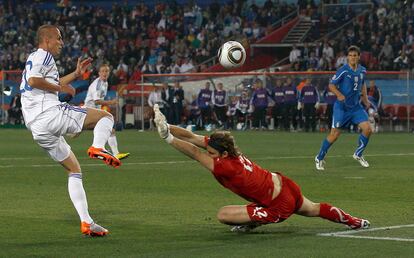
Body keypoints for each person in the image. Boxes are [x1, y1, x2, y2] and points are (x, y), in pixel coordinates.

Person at [152, 104, 370, 232]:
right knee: (313, 209)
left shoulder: (226, 167)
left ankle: (256, 219)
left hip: (278, 205)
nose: (211, 156)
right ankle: (355, 221)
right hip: (285, 185)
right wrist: (166, 125)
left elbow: (195, 153)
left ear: (223, 155)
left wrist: (167, 138)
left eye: (213, 154)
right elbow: (192, 137)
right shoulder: (228, 152)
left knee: (223, 215)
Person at [20, 24, 119, 237]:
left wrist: (75, 74)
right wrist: (60, 89)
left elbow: (42, 81)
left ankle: (87, 223)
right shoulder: (44, 56)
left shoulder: (34, 58)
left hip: (37, 127)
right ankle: (98, 147)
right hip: (49, 113)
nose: (61, 43)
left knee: (74, 169)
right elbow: (34, 81)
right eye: (58, 38)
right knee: (106, 117)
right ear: (46, 40)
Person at [315, 45, 372, 171]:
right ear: (347, 57)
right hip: (342, 108)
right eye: (350, 55)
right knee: (334, 135)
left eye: (355, 56)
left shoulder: (362, 70)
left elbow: (362, 84)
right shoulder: (343, 70)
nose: (352, 58)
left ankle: (358, 154)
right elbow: (331, 85)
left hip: (356, 107)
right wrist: (339, 94)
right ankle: (319, 157)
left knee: (368, 129)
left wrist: (365, 99)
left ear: (358, 57)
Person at [84, 64, 130, 160]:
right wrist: (111, 102)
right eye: (103, 71)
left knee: (109, 129)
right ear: (99, 73)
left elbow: (98, 101)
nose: (105, 73)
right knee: (108, 127)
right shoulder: (97, 84)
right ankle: (101, 150)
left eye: (107, 71)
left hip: (95, 110)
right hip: (89, 111)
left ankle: (109, 152)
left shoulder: (105, 83)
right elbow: (96, 101)